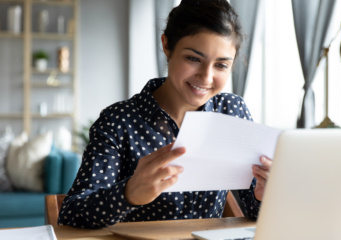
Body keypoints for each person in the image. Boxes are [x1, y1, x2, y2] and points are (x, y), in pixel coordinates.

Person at [58, 0, 272, 229]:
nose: (206, 77)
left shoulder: (232, 112)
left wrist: (264, 195)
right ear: (167, 45)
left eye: (221, 65)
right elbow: (71, 214)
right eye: (193, 59)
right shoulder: (118, 121)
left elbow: (252, 210)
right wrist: (127, 194)